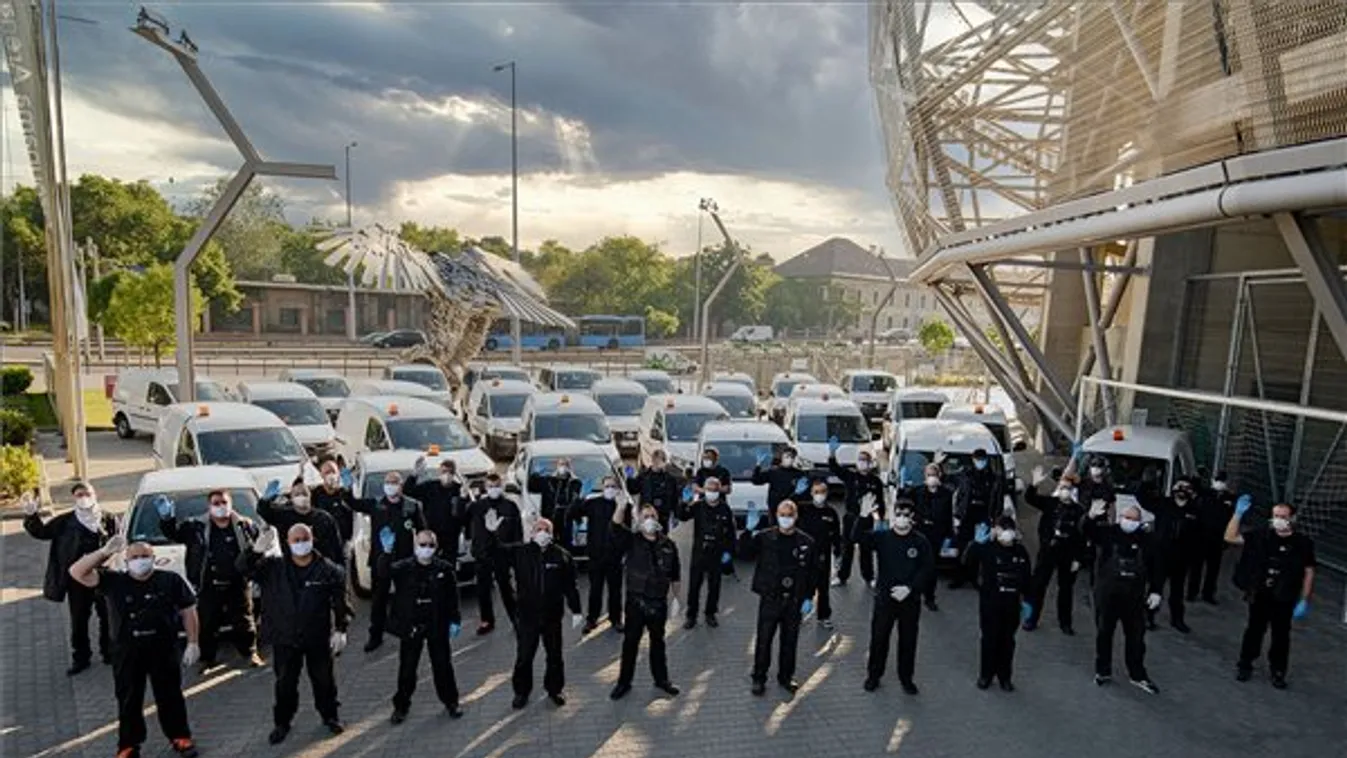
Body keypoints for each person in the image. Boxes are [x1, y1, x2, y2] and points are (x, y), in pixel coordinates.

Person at [69, 535, 200, 758]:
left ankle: (180, 737)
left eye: (145, 556)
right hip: (127, 651)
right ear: (126, 560)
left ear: (153, 558)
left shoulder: (170, 580)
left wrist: (193, 642)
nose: (140, 561)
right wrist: (104, 552)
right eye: (135, 557)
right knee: (129, 699)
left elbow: (188, 610)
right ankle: (128, 745)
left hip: (163, 648)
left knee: (170, 696)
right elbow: (77, 572)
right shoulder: (113, 581)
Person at [239, 524, 353, 744]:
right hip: (285, 637)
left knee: (324, 681)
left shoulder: (328, 569)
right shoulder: (273, 567)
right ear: (288, 542)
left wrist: (341, 629)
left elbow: (341, 601)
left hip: (317, 637)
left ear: (312, 539)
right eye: (296, 540)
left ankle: (330, 716)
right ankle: (282, 722)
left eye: (305, 538)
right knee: (285, 683)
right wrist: (255, 550)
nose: (301, 543)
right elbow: (243, 568)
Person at [158, 489, 264, 668]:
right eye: (216, 503)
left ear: (231, 504)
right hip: (208, 584)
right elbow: (173, 534)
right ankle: (207, 659)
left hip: (237, 583)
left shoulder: (245, 525)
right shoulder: (196, 527)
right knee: (207, 624)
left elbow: (257, 546)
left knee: (244, 622)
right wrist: (167, 518)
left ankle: (250, 653)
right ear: (209, 507)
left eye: (224, 502)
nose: (221, 507)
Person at [21, 484, 116, 675]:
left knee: (107, 615)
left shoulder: (107, 518)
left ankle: (109, 652)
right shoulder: (65, 521)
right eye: (79, 495)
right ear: (74, 498)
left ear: (94, 494)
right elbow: (42, 532)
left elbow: (118, 541)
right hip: (77, 579)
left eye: (87, 493)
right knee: (79, 619)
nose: (83, 497)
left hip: (102, 576)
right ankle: (81, 657)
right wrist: (31, 515)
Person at [1226, 498, 1316, 689]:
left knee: (1281, 635)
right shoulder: (1261, 537)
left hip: (1285, 595)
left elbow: (1309, 571)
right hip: (1260, 592)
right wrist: (1238, 514)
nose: (1279, 520)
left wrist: (1304, 599)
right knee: (1254, 630)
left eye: (1283, 517)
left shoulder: (1302, 543)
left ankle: (1278, 670)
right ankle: (1245, 664)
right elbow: (1230, 537)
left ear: (1292, 518)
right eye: (1276, 516)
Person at [1085, 501, 1162, 694]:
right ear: (1120, 518)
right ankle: (1102, 671)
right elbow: (1087, 532)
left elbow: (1157, 567)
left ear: (1140, 522)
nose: (1129, 521)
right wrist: (1090, 517)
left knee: (1136, 637)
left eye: (1134, 519)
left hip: (1134, 598)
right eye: (1126, 517)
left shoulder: (1148, 540)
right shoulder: (1109, 533)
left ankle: (1137, 674)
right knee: (1104, 634)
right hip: (1107, 595)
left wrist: (1156, 590)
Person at [507, 518, 584, 708]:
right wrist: (492, 534)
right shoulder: (520, 553)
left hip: (552, 615)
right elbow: (496, 553)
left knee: (555, 655)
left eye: (546, 529)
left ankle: (555, 689)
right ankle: (521, 692)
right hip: (527, 615)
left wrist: (576, 610)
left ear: (552, 533)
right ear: (532, 533)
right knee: (524, 656)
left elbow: (570, 586)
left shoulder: (562, 556)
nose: (542, 532)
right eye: (538, 529)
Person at [609, 501, 682, 700]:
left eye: (653, 517)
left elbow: (675, 575)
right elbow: (615, 526)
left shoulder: (668, 545)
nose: (650, 520)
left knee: (658, 643)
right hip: (636, 602)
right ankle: (624, 682)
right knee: (630, 643)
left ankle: (662, 680)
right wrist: (620, 506)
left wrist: (677, 599)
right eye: (645, 517)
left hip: (658, 603)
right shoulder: (631, 540)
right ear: (639, 521)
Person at [388, 530, 463, 723]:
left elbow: (452, 597)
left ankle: (451, 702)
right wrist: (386, 552)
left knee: (443, 666)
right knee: (407, 669)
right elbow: (383, 574)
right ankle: (401, 706)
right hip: (412, 625)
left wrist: (455, 619)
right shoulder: (404, 568)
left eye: (430, 545)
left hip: (436, 624)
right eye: (422, 545)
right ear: (415, 546)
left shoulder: (444, 569)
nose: (426, 549)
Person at [861, 501, 934, 695]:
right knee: (879, 638)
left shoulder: (920, 541)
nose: (902, 517)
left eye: (906, 514)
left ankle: (906, 678)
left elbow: (927, 569)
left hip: (909, 600)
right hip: (885, 598)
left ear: (912, 517)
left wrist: (911, 588)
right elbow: (857, 538)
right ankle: (874, 675)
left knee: (908, 640)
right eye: (898, 513)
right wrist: (862, 517)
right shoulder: (883, 537)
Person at [747, 500, 817, 696]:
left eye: (790, 514)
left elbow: (813, 573)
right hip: (771, 597)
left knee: (790, 641)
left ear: (796, 517)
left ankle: (786, 677)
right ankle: (759, 677)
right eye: (782, 514)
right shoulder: (765, 537)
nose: (786, 518)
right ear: (776, 515)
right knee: (764, 640)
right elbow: (744, 553)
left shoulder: (806, 542)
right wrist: (748, 532)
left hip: (794, 600)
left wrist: (809, 597)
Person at [352, 471, 427, 652]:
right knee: (378, 600)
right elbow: (353, 504)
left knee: (406, 598)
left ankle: (407, 630)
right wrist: (347, 487)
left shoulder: (412, 506)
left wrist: (422, 553)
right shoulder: (376, 504)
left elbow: (423, 530)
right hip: (381, 561)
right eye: (387, 482)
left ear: (401, 485)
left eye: (394, 482)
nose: (390, 485)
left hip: (405, 561)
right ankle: (375, 636)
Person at [965, 516, 1033, 691]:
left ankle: (1005, 677)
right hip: (991, 602)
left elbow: (1027, 577)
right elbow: (968, 564)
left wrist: (1028, 600)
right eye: (1001, 529)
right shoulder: (987, 549)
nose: (1005, 533)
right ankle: (985, 675)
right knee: (989, 639)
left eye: (1008, 529)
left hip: (1012, 603)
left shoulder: (1020, 551)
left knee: (1007, 641)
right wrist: (975, 544)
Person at [1021, 469, 1086, 634]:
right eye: (1062, 487)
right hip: (1048, 550)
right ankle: (1031, 619)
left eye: (1068, 488)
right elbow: (1030, 499)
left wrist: (1078, 558)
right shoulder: (1050, 503)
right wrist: (1034, 484)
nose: (1064, 491)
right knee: (1038, 586)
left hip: (1067, 553)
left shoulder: (1078, 511)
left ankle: (1065, 623)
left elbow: (1081, 537)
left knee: (1065, 589)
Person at [675, 475, 736, 629]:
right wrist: (684, 502)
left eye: (715, 490)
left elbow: (731, 532)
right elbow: (682, 516)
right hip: (700, 552)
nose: (712, 492)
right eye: (709, 489)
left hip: (717, 552)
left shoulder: (724, 508)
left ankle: (710, 614)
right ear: (704, 490)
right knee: (694, 585)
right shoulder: (698, 506)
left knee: (714, 586)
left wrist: (729, 552)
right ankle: (691, 615)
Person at [468, 473, 523, 634]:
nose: (494, 489)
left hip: (502, 553)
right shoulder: (478, 505)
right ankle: (487, 621)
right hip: (482, 553)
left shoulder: (509, 506)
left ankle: (516, 618)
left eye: (496, 486)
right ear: (486, 487)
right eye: (490, 486)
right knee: (483, 590)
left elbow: (517, 532)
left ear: (502, 486)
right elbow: (459, 516)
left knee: (506, 588)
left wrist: (516, 552)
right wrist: (463, 498)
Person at [1149, 479, 1204, 633]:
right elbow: (1143, 498)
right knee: (1155, 587)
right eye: (1179, 486)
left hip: (1182, 556)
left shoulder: (1195, 510)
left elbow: (1200, 534)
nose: (1182, 490)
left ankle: (1177, 620)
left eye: (1186, 487)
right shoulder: (1163, 504)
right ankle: (1149, 616)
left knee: (1177, 591)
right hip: (1161, 553)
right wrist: (1149, 480)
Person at [573, 475, 625, 633]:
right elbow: (573, 513)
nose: (610, 489)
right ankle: (592, 619)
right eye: (607, 486)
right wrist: (579, 498)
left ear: (617, 489)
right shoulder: (593, 503)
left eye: (613, 486)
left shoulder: (622, 506)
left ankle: (615, 618)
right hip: (596, 555)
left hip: (615, 556)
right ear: (602, 488)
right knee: (595, 589)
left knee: (615, 590)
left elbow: (626, 531)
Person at [831, 442, 887, 587]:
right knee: (847, 548)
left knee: (866, 550)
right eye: (860, 460)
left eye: (865, 460)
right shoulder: (851, 476)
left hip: (867, 519)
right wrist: (832, 454)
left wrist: (879, 519)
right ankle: (842, 576)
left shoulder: (876, 482)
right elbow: (835, 469)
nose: (862, 463)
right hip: (851, 517)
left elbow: (880, 502)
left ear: (870, 464)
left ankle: (869, 577)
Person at [257, 477, 344, 566]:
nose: (301, 496)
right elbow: (264, 512)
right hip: (293, 571)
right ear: (291, 498)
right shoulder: (283, 516)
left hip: (322, 570)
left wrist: (339, 570)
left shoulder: (324, 518)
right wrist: (265, 500)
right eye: (297, 494)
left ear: (310, 495)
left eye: (304, 493)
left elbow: (337, 548)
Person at [951, 448, 1005, 589]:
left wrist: (995, 521)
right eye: (977, 459)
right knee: (961, 547)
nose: (979, 462)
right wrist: (957, 515)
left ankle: (974, 577)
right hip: (966, 515)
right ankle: (958, 577)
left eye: (982, 460)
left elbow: (998, 500)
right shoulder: (966, 474)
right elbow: (956, 488)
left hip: (983, 516)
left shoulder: (994, 478)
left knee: (979, 547)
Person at [905, 463, 955, 611]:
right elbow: (905, 501)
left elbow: (949, 516)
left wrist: (949, 537)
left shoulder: (947, 493)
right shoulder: (918, 492)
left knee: (931, 569)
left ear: (939, 476)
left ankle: (929, 598)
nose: (932, 478)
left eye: (934, 475)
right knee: (913, 566)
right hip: (919, 533)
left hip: (937, 535)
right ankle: (912, 594)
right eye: (929, 475)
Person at [404, 457, 471, 565]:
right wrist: (414, 475)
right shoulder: (430, 487)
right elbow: (408, 491)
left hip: (451, 537)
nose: (447, 475)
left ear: (454, 474)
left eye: (450, 472)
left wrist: (463, 498)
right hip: (430, 535)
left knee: (448, 566)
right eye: (444, 471)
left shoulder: (459, 490)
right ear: (439, 472)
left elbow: (463, 517)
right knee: (428, 565)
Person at [797, 479, 841, 628]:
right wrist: (796, 493)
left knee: (823, 587)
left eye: (822, 492)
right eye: (816, 492)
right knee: (803, 584)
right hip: (805, 554)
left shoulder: (831, 512)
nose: (819, 495)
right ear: (811, 493)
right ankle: (799, 613)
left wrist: (838, 552)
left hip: (823, 555)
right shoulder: (803, 509)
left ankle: (824, 616)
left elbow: (836, 534)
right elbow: (786, 505)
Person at [1191, 470, 1235, 604]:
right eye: (1217, 479)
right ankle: (1192, 592)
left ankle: (1208, 594)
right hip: (1201, 535)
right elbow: (1195, 487)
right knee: (1196, 566)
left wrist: (1227, 539)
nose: (1219, 482)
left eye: (1222, 480)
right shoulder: (1205, 494)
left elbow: (1231, 517)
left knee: (1213, 569)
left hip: (1218, 537)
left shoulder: (1230, 498)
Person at [626, 448, 683, 531]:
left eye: (661, 461)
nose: (658, 463)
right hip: (647, 514)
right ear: (652, 460)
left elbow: (675, 498)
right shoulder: (644, 477)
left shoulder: (670, 479)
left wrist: (676, 515)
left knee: (662, 539)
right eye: (656, 461)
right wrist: (630, 478)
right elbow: (633, 490)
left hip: (663, 515)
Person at [751, 446, 808, 527]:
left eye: (791, 457)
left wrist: (797, 493)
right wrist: (758, 465)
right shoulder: (773, 472)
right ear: (782, 457)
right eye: (787, 456)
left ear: (794, 458)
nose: (789, 458)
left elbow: (804, 494)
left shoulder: (799, 474)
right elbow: (756, 480)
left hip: (792, 509)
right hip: (775, 508)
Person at [312, 458, 357, 546]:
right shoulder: (315, 494)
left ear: (338, 474)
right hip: (324, 543)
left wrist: (350, 489)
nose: (330, 475)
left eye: (333, 471)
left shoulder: (345, 493)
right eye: (327, 472)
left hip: (344, 543)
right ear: (321, 475)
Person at [527, 456, 585, 523]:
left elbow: (577, 500)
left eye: (566, 464)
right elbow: (532, 486)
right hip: (550, 519)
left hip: (567, 520)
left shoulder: (575, 483)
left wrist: (577, 517)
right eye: (561, 464)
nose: (564, 467)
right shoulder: (548, 481)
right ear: (557, 466)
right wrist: (536, 473)